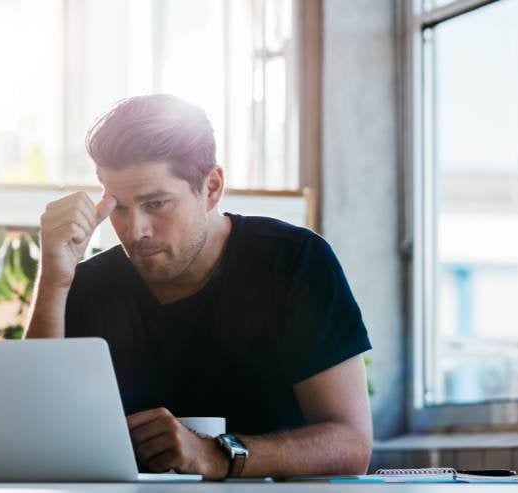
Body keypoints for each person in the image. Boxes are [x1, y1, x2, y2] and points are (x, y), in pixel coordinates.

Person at [25, 94, 373, 480]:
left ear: (211, 187)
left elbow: (352, 444)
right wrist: (54, 281)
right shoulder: (86, 284)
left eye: (156, 204)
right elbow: (30, 433)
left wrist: (215, 455)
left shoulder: (293, 262)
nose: (134, 231)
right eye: (119, 207)